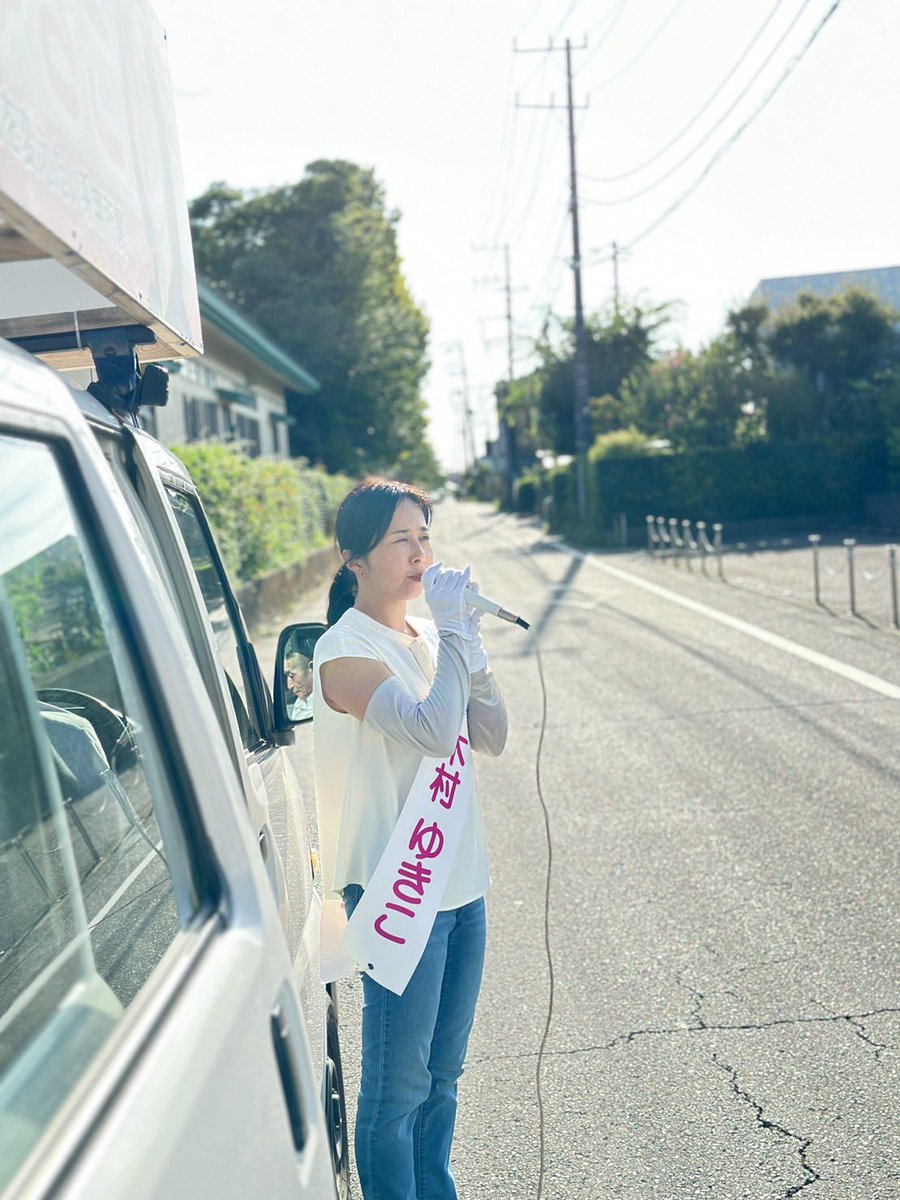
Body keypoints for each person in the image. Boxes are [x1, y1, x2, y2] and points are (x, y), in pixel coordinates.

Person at [312, 478, 508, 1200]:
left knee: (443, 1079)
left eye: (425, 535)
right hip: (398, 895)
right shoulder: (343, 653)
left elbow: (489, 736)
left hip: (463, 890)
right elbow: (429, 730)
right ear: (354, 557)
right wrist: (455, 637)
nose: (422, 552)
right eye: (402, 539)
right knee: (396, 1092)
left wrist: (471, 650)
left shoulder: (429, 636)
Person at [283, 649, 314, 721]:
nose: (289, 685)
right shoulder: (300, 703)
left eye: (292, 676)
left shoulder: (329, 701)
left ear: (312, 668)